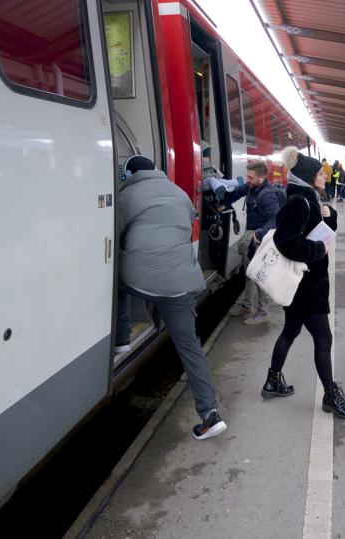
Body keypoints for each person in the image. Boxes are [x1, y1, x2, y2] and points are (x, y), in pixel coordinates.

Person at [115, 156, 227, 440]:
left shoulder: (125, 196)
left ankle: (122, 339)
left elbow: (115, 236)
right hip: (182, 283)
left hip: (139, 280)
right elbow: (188, 222)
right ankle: (210, 414)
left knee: (116, 283)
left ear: (129, 175)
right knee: (190, 346)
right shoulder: (180, 193)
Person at [264, 147, 345, 419]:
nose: (325, 176)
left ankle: (273, 380)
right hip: (306, 286)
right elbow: (286, 242)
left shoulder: (309, 199)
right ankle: (330, 396)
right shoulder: (299, 202)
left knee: (291, 330)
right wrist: (317, 250)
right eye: (320, 173)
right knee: (323, 338)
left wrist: (330, 215)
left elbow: (321, 231)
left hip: (303, 284)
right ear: (308, 177)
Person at [226, 161, 284, 325]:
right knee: (249, 272)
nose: (247, 180)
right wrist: (224, 201)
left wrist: (259, 234)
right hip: (254, 239)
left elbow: (276, 219)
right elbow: (237, 192)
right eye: (247, 176)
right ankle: (247, 305)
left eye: (250, 177)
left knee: (259, 275)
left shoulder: (267, 195)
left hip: (262, 240)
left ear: (261, 178)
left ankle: (263, 312)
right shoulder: (251, 187)